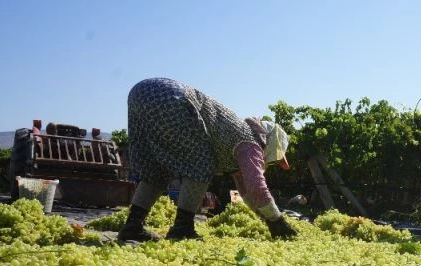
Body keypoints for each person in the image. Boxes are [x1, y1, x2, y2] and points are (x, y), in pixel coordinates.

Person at [117, 77, 297, 241]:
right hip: (173, 98)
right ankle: (183, 227)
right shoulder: (250, 143)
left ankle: (133, 226)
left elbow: (247, 192)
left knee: (156, 169)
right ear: (271, 144)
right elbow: (256, 186)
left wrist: (267, 219)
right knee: (200, 166)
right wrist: (277, 219)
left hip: (140, 93)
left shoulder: (238, 138)